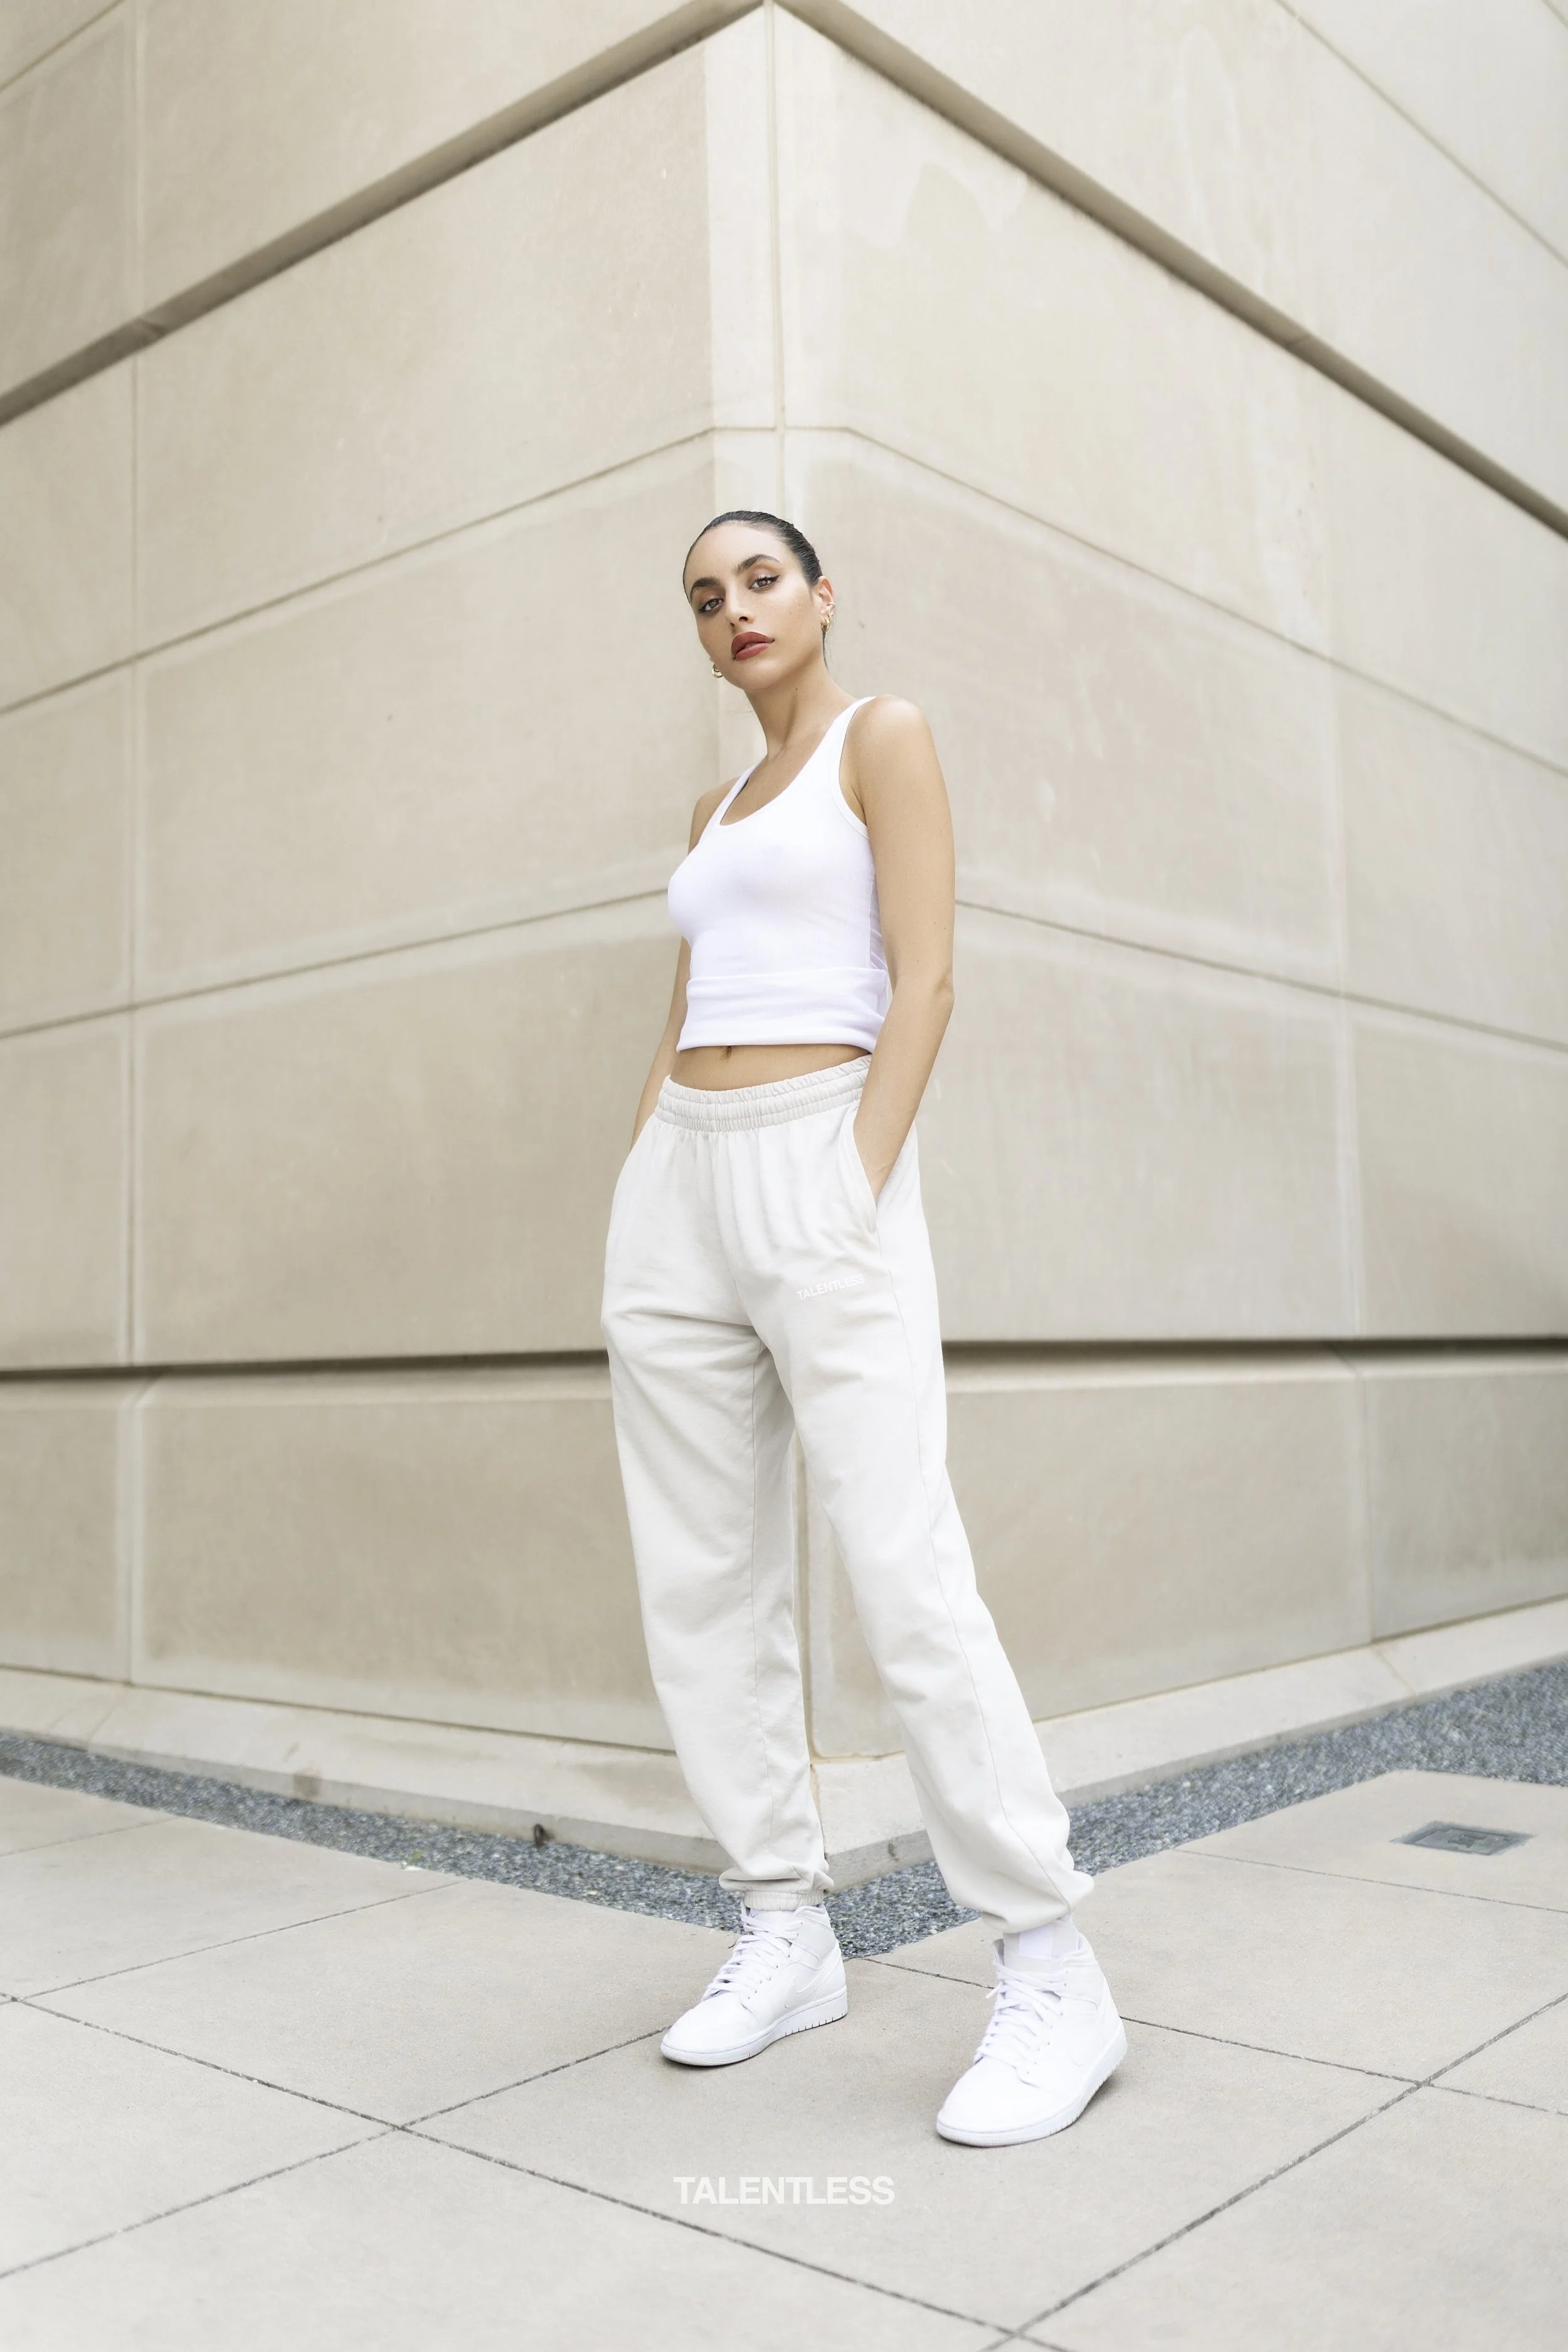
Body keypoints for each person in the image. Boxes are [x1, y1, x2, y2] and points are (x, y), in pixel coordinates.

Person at [600, 510, 1125, 2146]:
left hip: (823, 1151)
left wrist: (851, 1178)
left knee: (903, 1567)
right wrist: (639, 1182)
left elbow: (927, 977)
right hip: (679, 1180)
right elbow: (684, 1010)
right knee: (702, 1577)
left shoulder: (875, 738)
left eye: (758, 578)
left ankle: (1050, 1964)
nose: (733, 608)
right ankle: (782, 1923)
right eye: (704, 596)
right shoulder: (712, 807)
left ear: (822, 594)